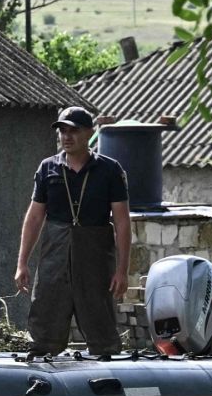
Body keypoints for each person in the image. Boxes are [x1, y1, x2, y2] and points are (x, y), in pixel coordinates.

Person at [14, 106, 132, 356]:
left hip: (95, 256)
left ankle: (107, 374)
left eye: (74, 131)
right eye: (62, 131)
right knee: (45, 315)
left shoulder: (110, 170)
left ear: (89, 133)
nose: (66, 137)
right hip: (55, 255)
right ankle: (43, 367)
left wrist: (122, 270)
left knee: (100, 321)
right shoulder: (48, 168)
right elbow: (35, 217)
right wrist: (22, 263)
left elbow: (122, 221)